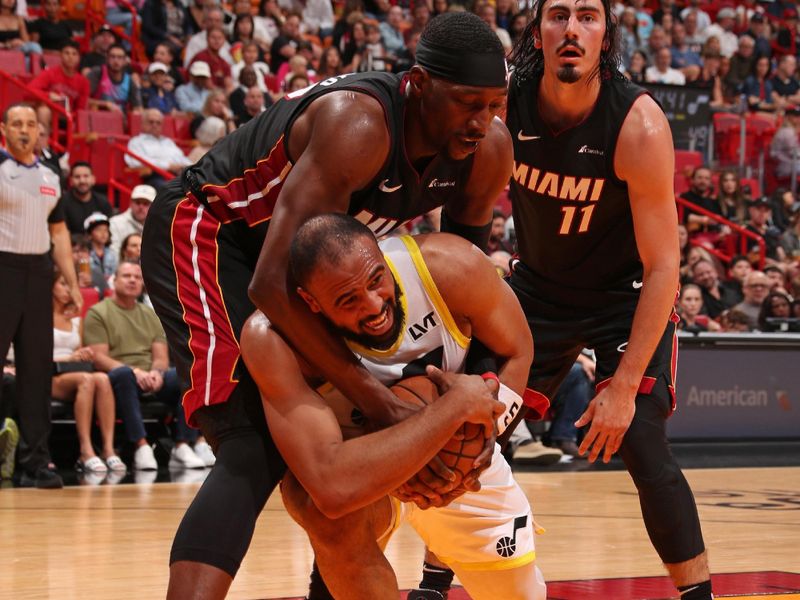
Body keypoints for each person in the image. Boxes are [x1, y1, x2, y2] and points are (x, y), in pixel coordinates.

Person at [140, 11, 511, 598]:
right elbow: (269, 283)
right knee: (250, 438)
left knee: (352, 437)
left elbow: (467, 297)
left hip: (310, 268)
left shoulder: (487, 151)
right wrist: (380, 400)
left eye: (495, 104)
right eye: (469, 103)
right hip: (217, 234)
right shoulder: (359, 125)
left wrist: (469, 413)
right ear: (417, 84)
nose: (482, 121)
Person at [506, 1, 713, 598]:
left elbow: (663, 265)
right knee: (473, 422)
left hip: (623, 296)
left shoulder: (638, 123)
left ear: (606, 35)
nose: (572, 29)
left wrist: (621, 387)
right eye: (559, 15)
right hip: (538, 289)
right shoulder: (505, 103)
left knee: (642, 439)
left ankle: (698, 594)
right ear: (538, 31)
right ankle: (433, 582)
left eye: (588, 16)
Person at [242, 215, 544, 599]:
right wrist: (453, 409)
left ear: (383, 256)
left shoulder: (450, 265)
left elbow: (518, 350)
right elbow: (331, 486)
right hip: (369, 472)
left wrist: (483, 436)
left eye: (376, 281)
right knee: (315, 506)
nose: (373, 305)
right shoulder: (273, 339)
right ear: (310, 302)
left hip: (461, 464)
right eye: (348, 300)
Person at [0, 103, 82, 489]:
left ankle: (36, 462)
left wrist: (73, 282)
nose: (24, 130)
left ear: (38, 132)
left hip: (38, 273)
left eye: (30, 124)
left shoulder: (51, 176)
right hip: (3, 268)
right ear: (4, 129)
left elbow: (61, 234)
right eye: (16, 123)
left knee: (36, 372)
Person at [83, 261, 210, 471]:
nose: (133, 280)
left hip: (149, 376)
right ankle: (141, 445)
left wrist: (157, 373)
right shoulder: (98, 312)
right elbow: (99, 357)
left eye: (137, 277)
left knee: (187, 373)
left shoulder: (151, 314)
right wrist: (136, 371)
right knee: (124, 374)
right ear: (113, 281)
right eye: (126, 276)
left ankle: (182, 445)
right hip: (117, 376)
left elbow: (160, 357)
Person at [51, 267, 125, 474]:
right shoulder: (38, 316)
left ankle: (108, 449)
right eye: (63, 284)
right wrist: (68, 357)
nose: (69, 290)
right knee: (87, 379)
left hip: (72, 371)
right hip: (48, 374)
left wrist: (82, 354)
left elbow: (77, 351)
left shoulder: (76, 319)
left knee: (101, 378)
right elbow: (34, 357)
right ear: (51, 286)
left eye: (71, 285)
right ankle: (85, 450)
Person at [125, 109, 192, 188]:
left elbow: (182, 158)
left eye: (158, 123)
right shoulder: (136, 142)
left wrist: (186, 166)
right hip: (153, 177)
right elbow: (135, 162)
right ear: (142, 124)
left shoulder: (168, 142)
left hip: (176, 176)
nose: (154, 125)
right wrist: (168, 166)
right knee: (170, 189)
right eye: (151, 122)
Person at [29, 40, 89, 116]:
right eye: (67, 53)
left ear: (79, 58)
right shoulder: (50, 73)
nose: (70, 57)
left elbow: (81, 109)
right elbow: (30, 90)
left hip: (68, 117)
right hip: (50, 112)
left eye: (74, 54)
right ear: (60, 55)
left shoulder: (84, 82)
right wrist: (48, 95)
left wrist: (71, 115)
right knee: (43, 111)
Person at [86, 43, 144, 115]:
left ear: (125, 61)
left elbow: (138, 108)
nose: (116, 61)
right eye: (112, 57)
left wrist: (137, 112)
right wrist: (106, 104)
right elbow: (84, 100)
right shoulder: (97, 73)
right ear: (107, 59)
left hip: (121, 121)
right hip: (98, 119)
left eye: (120, 57)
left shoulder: (129, 81)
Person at [62, 162, 114, 235]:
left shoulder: (103, 202)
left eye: (86, 176)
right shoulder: (62, 202)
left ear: (93, 179)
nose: (82, 181)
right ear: (71, 181)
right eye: (77, 177)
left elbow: (109, 230)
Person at [109, 184, 156, 258]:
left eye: (145, 203)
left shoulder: (160, 225)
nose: (141, 207)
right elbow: (113, 253)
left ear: (154, 206)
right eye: (137, 202)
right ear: (130, 203)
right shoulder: (115, 223)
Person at [84, 212, 117, 292]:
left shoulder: (112, 253)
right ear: (89, 234)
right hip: (92, 289)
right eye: (98, 230)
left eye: (106, 230)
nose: (103, 233)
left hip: (110, 289)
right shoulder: (85, 254)